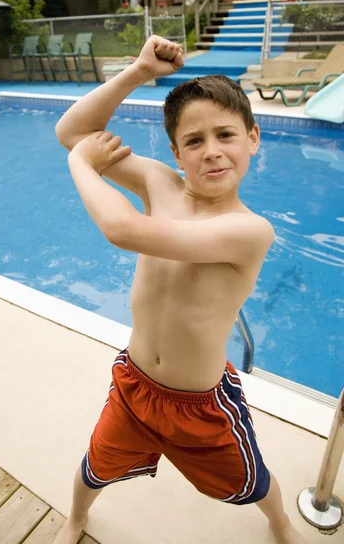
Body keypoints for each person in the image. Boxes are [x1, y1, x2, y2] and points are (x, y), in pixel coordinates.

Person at [53, 36, 307, 544]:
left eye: (226, 135)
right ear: (176, 151)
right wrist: (139, 71)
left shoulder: (249, 230)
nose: (211, 151)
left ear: (253, 138)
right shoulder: (157, 182)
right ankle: (76, 517)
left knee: (252, 483)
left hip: (202, 405)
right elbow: (73, 130)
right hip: (134, 386)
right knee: (94, 465)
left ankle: (281, 525)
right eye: (194, 141)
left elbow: (123, 230)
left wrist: (82, 165)